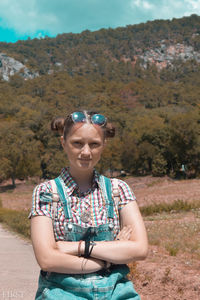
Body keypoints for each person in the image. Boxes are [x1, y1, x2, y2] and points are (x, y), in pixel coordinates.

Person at [29, 110, 148, 299]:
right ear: (63, 143)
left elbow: (140, 249)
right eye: (77, 143)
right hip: (61, 293)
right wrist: (107, 259)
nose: (86, 152)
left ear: (103, 146)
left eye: (94, 144)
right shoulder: (46, 192)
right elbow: (47, 259)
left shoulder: (119, 190)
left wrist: (77, 248)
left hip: (117, 292)